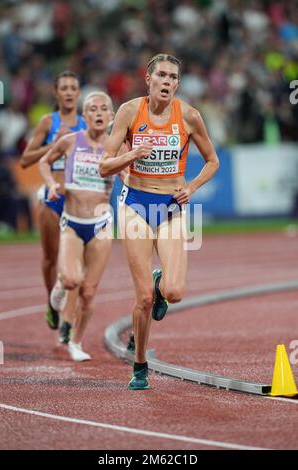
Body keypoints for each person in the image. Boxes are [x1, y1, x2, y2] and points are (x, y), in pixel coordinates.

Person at [100, 53, 219, 390]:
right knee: (143, 300)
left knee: (174, 292)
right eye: (162, 76)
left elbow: (212, 161)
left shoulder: (190, 116)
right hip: (136, 204)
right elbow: (104, 166)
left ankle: (160, 282)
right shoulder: (128, 112)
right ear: (148, 79)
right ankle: (140, 365)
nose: (168, 82)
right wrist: (132, 155)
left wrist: (191, 186)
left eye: (173, 77)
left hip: (171, 206)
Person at [39, 91, 123, 361]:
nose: (98, 113)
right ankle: (57, 295)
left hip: (100, 225)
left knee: (88, 292)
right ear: (84, 116)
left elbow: (131, 178)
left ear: (112, 116)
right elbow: (43, 162)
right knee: (71, 279)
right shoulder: (70, 141)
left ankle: (76, 341)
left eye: (104, 109)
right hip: (73, 223)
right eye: (92, 109)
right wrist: (52, 185)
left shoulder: (117, 147)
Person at [20, 71, 86, 340]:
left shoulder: (86, 123)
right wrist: (54, 145)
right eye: (64, 88)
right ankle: (52, 302)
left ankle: (68, 324)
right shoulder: (48, 122)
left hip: (77, 200)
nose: (69, 92)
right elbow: (25, 159)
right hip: (51, 198)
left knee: (75, 266)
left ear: (78, 93)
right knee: (50, 258)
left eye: (73, 88)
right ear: (56, 94)